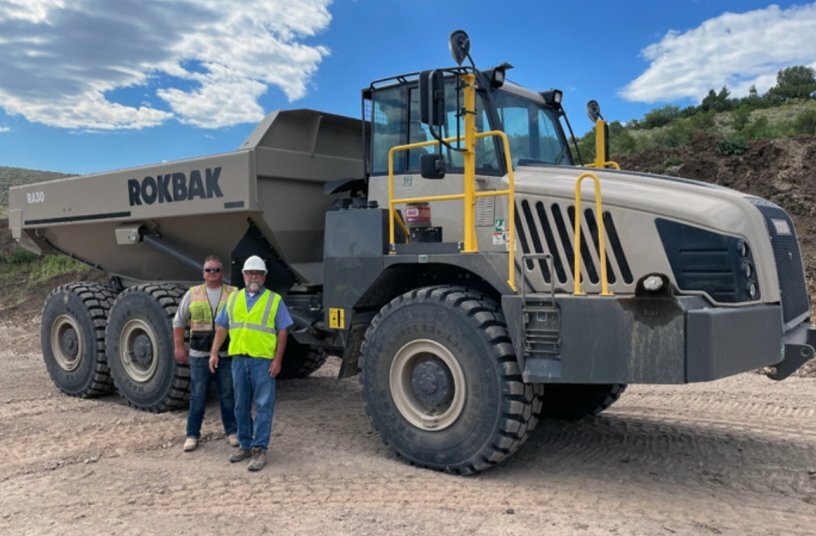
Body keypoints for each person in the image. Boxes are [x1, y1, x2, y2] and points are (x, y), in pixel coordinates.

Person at [209, 255, 293, 472]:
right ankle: (245, 445)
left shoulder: (274, 300)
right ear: (244, 276)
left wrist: (277, 360)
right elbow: (222, 327)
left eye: (257, 273)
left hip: (263, 362)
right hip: (238, 360)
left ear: (264, 277)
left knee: (264, 405)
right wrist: (214, 352)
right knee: (240, 405)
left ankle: (259, 449)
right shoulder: (234, 299)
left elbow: (283, 332)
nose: (253, 276)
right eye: (249, 273)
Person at [173, 255, 238, 452]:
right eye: (208, 270)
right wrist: (179, 347)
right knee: (198, 396)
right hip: (199, 355)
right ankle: (192, 435)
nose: (212, 273)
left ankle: (232, 432)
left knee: (228, 395)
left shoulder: (233, 293)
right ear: (203, 273)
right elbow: (179, 321)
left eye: (216, 270)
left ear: (222, 272)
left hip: (227, 354)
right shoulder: (193, 294)